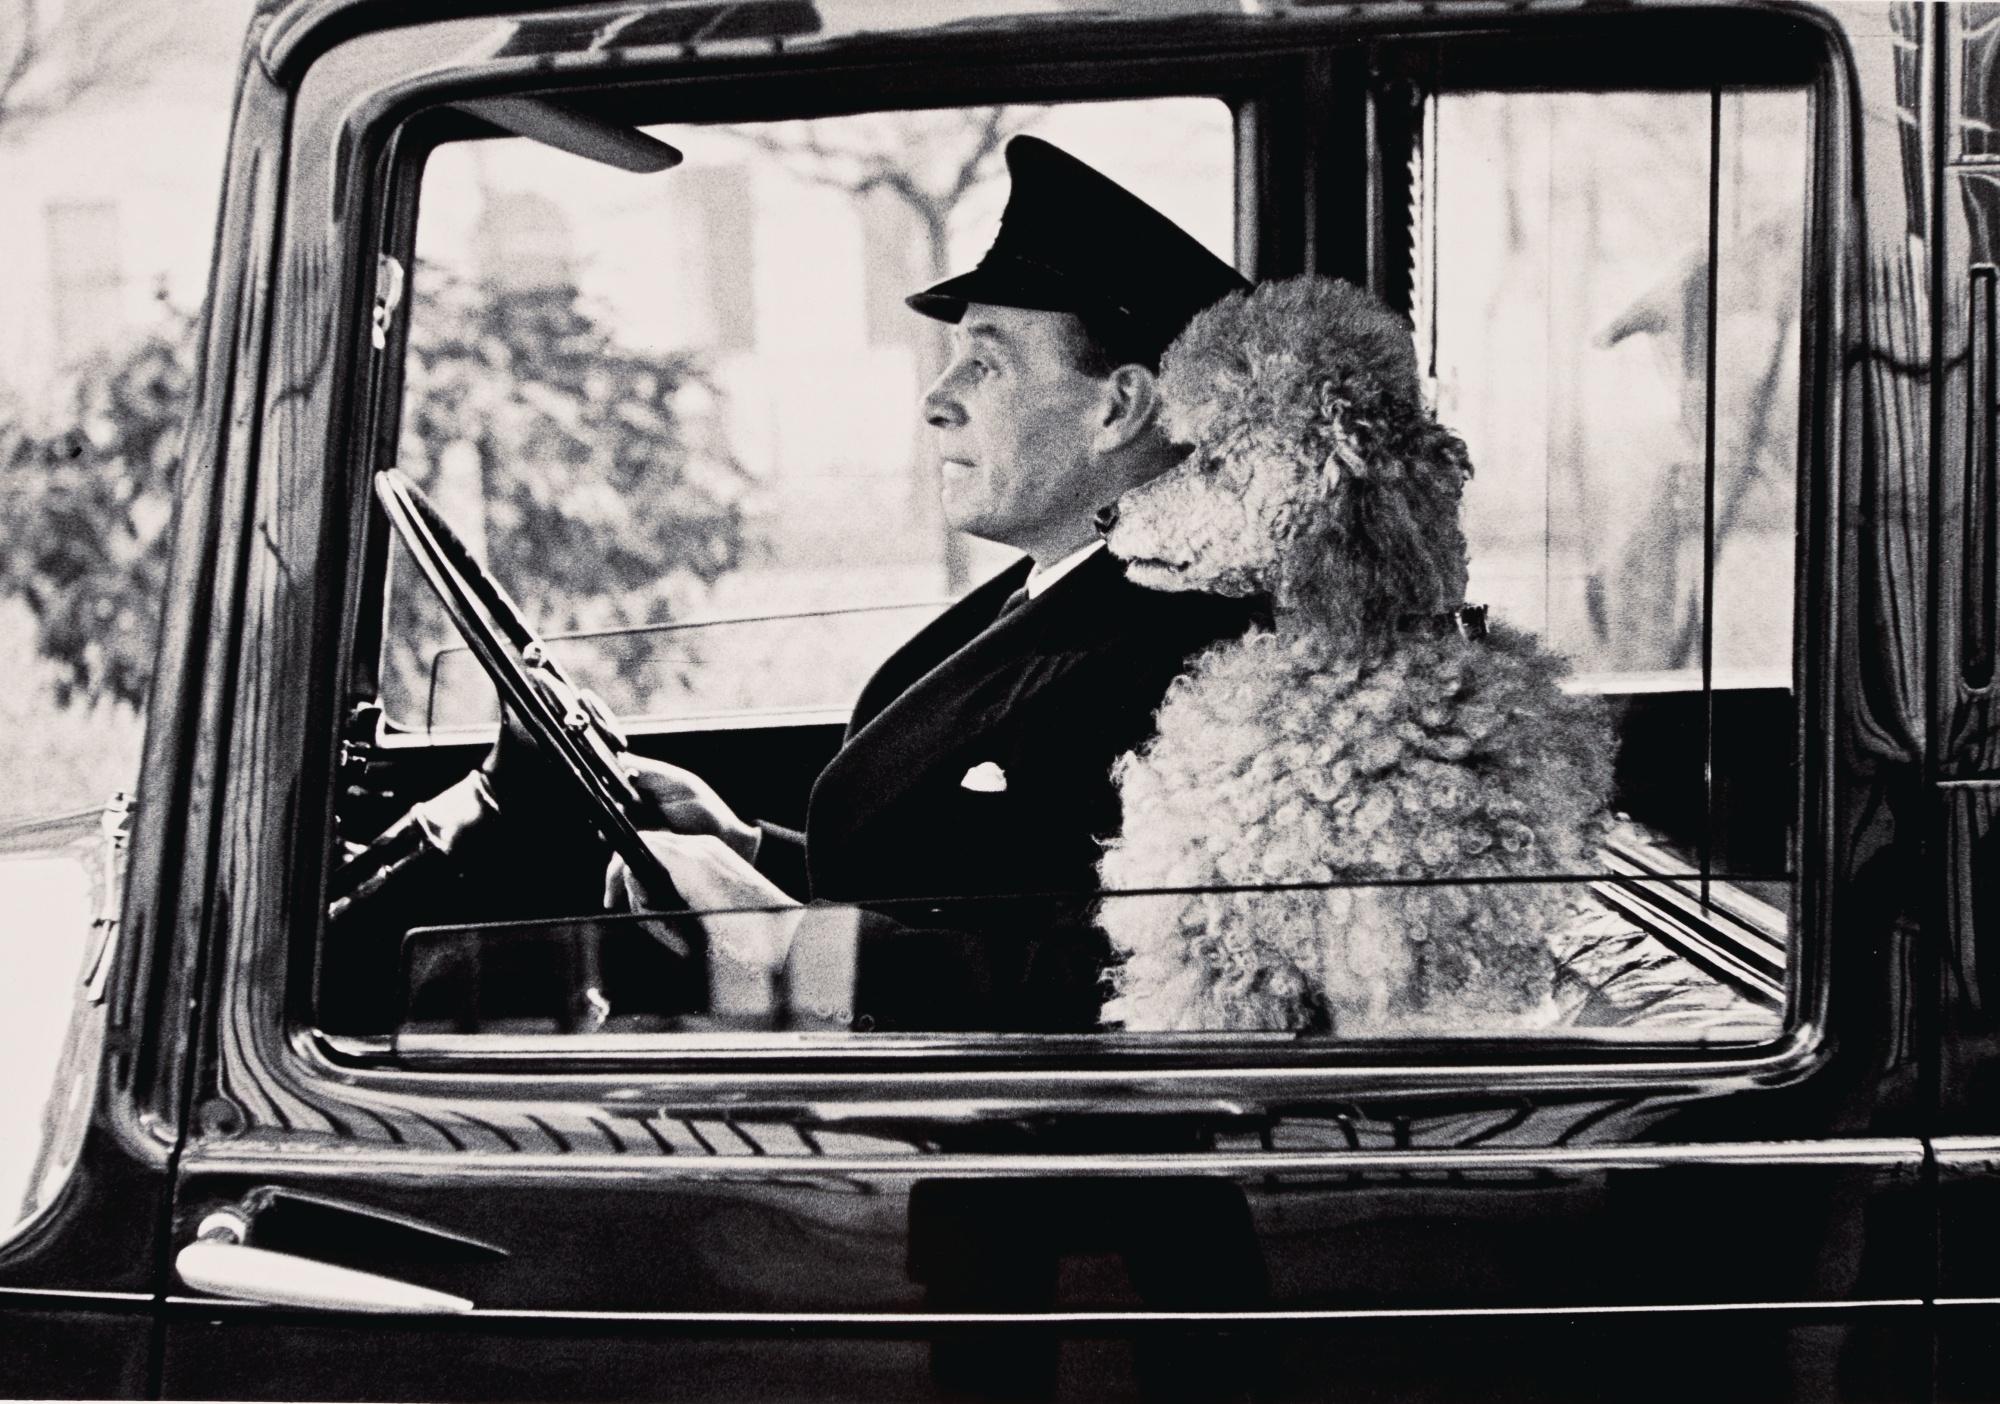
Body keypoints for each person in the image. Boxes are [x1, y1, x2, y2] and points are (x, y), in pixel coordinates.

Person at [611, 135, 1260, 1033]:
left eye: (986, 364)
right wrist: (749, 850)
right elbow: (967, 886)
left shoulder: (1193, 657)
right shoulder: (1070, 587)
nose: (937, 396)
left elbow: (1105, 980)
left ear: (1118, 408)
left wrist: (781, 940)